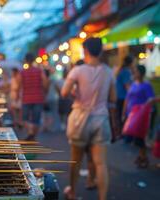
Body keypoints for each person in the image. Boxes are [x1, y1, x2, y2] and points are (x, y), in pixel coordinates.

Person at [61, 37, 116, 200]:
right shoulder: (108, 71)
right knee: (100, 163)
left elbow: (64, 93)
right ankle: (102, 197)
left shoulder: (77, 71)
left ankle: (72, 192)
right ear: (100, 51)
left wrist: (76, 91)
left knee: (76, 160)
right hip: (100, 120)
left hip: (79, 120)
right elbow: (113, 98)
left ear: (85, 50)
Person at [123, 65, 155, 168]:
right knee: (136, 137)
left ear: (140, 73)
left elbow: (151, 100)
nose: (134, 73)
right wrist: (124, 112)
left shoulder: (146, 85)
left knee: (140, 138)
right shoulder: (133, 84)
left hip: (141, 116)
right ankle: (142, 157)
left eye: (136, 72)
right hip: (131, 114)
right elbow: (127, 98)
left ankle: (143, 158)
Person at [17, 53, 48, 140]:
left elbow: (18, 86)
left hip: (26, 99)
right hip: (38, 98)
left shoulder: (22, 72)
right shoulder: (39, 71)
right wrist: (44, 91)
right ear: (33, 60)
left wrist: (16, 96)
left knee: (25, 118)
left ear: (26, 60)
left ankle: (30, 132)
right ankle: (33, 135)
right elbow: (45, 83)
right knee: (36, 119)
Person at [115, 55, 133, 125]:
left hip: (119, 97)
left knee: (120, 118)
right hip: (123, 98)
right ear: (131, 63)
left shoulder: (122, 70)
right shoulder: (126, 72)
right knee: (124, 119)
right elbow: (128, 87)